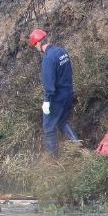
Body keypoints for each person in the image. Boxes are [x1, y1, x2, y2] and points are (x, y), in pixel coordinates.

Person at [29, 29, 79, 158]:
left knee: (48, 127)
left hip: (57, 97)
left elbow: (48, 82)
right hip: (68, 92)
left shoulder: (48, 58)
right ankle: (77, 143)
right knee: (62, 121)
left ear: (38, 43)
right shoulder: (62, 51)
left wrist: (47, 100)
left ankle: (53, 160)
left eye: (35, 46)